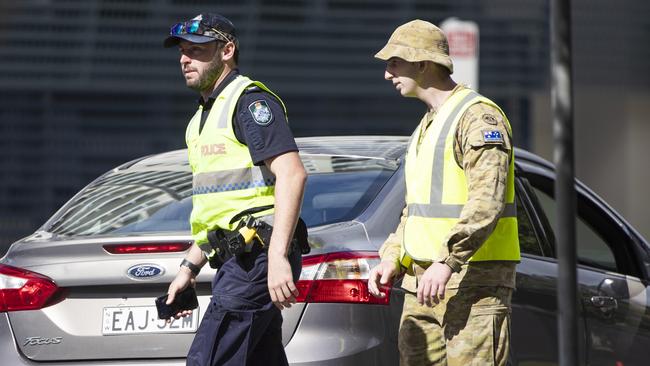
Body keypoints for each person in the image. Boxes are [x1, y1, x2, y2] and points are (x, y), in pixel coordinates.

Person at [367, 20, 521, 366]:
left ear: (422, 64)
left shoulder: (478, 118)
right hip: (422, 284)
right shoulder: (427, 125)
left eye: (394, 63)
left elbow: (487, 201)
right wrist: (393, 255)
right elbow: (417, 209)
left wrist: (448, 261)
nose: (387, 74)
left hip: (472, 285)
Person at [162, 12, 307, 366]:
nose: (185, 59)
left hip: (254, 259)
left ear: (226, 50)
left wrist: (276, 257)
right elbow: (220, 208)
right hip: (237, 259)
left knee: (208, 360)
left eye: (196, 50)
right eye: (182, 51)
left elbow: (293, 175)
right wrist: (189, 268)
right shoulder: (200, 120)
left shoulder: (250, 102)